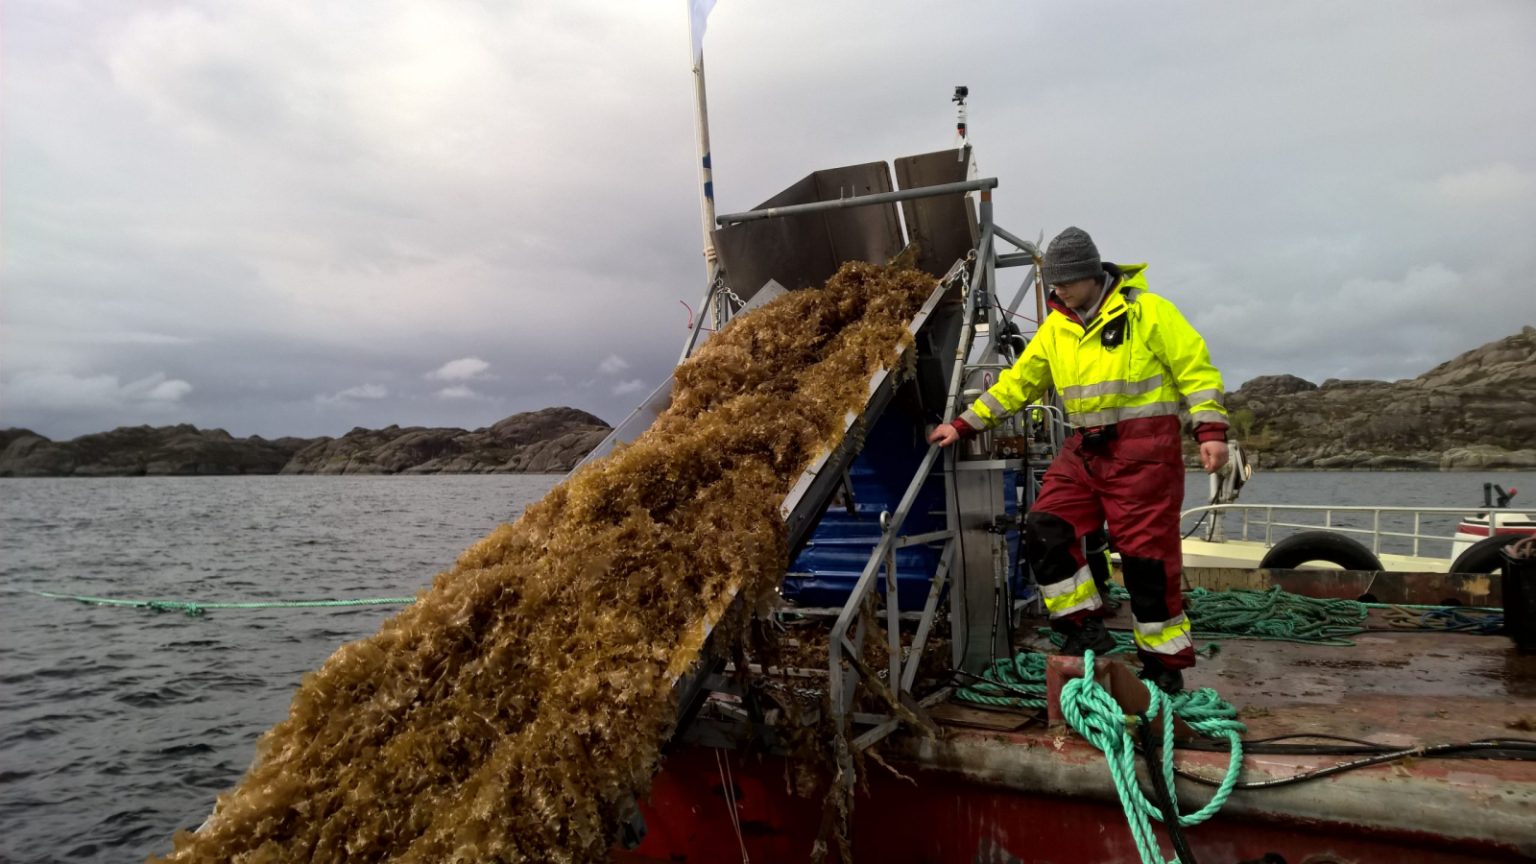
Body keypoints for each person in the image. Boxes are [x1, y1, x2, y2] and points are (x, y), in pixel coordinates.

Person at [929, 226, 1229, 693]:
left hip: (1145, 453)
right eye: (1054, 282)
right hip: (1085, 450)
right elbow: (1016, 385)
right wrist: (964, 424)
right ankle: (1083, 628)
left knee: (1146, 562)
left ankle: (1163, 665)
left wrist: (1210, 431)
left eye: (1065, 281)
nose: (1057, 290)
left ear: (1091, 275)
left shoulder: (1148, 313)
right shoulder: (1056, 328)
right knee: (1046, 526)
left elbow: (1196, 369)